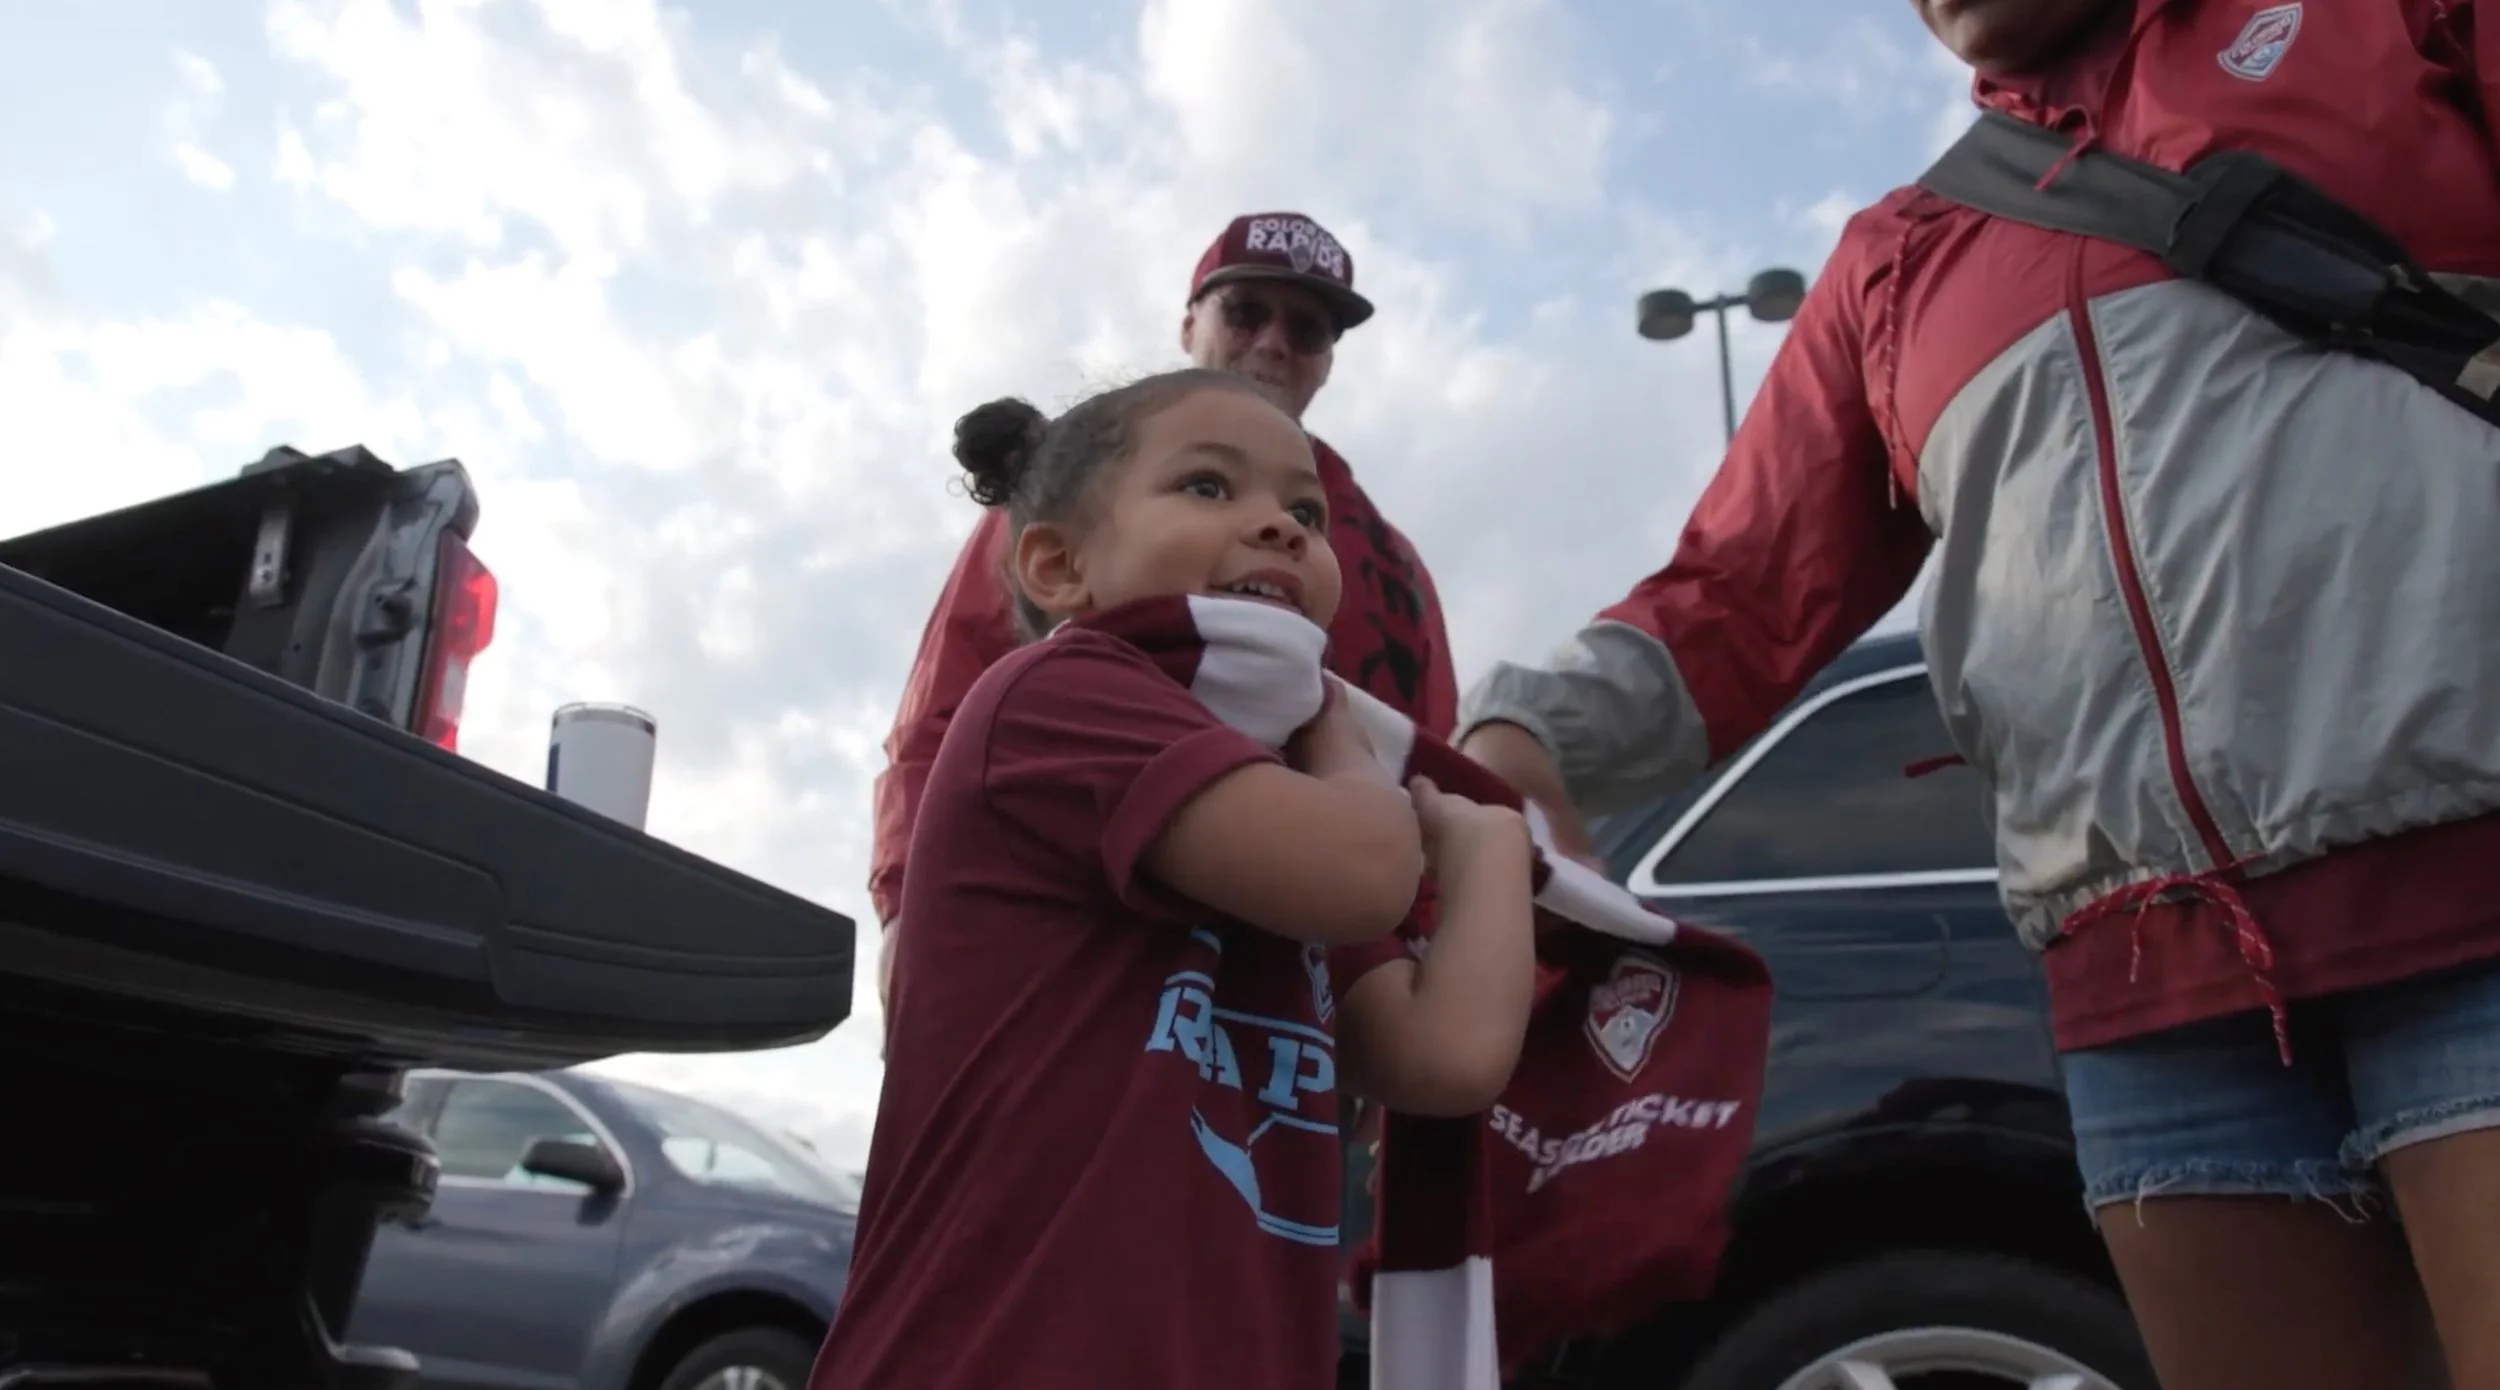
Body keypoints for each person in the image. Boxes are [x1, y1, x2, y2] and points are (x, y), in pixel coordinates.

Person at [1454, 2, 2500, 1387]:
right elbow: (1738, 591)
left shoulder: (2383, 24)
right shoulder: (1898, 259)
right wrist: (1522, 725)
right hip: (2151, 1008)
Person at [812, 369, 1536, 1390]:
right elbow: (1364, 873)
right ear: (1060, 566)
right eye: (1208, 487)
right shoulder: (1056, 697)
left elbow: (1441, 1055)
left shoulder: (1285, 813)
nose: (1279, 527)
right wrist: (1342, 740)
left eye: (1302, 509)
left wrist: (1494, 849)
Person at [867, 210, 1460, 1021]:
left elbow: (1423, 766)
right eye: (1246, 311)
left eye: (1309, 327)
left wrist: (1401, 963)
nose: (1276, 341)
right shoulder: (1079, 491)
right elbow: (948, 704)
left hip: (1305, 1005)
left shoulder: (1387, 565)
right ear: (1190, 324)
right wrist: (906, 906)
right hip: (1068, 968)